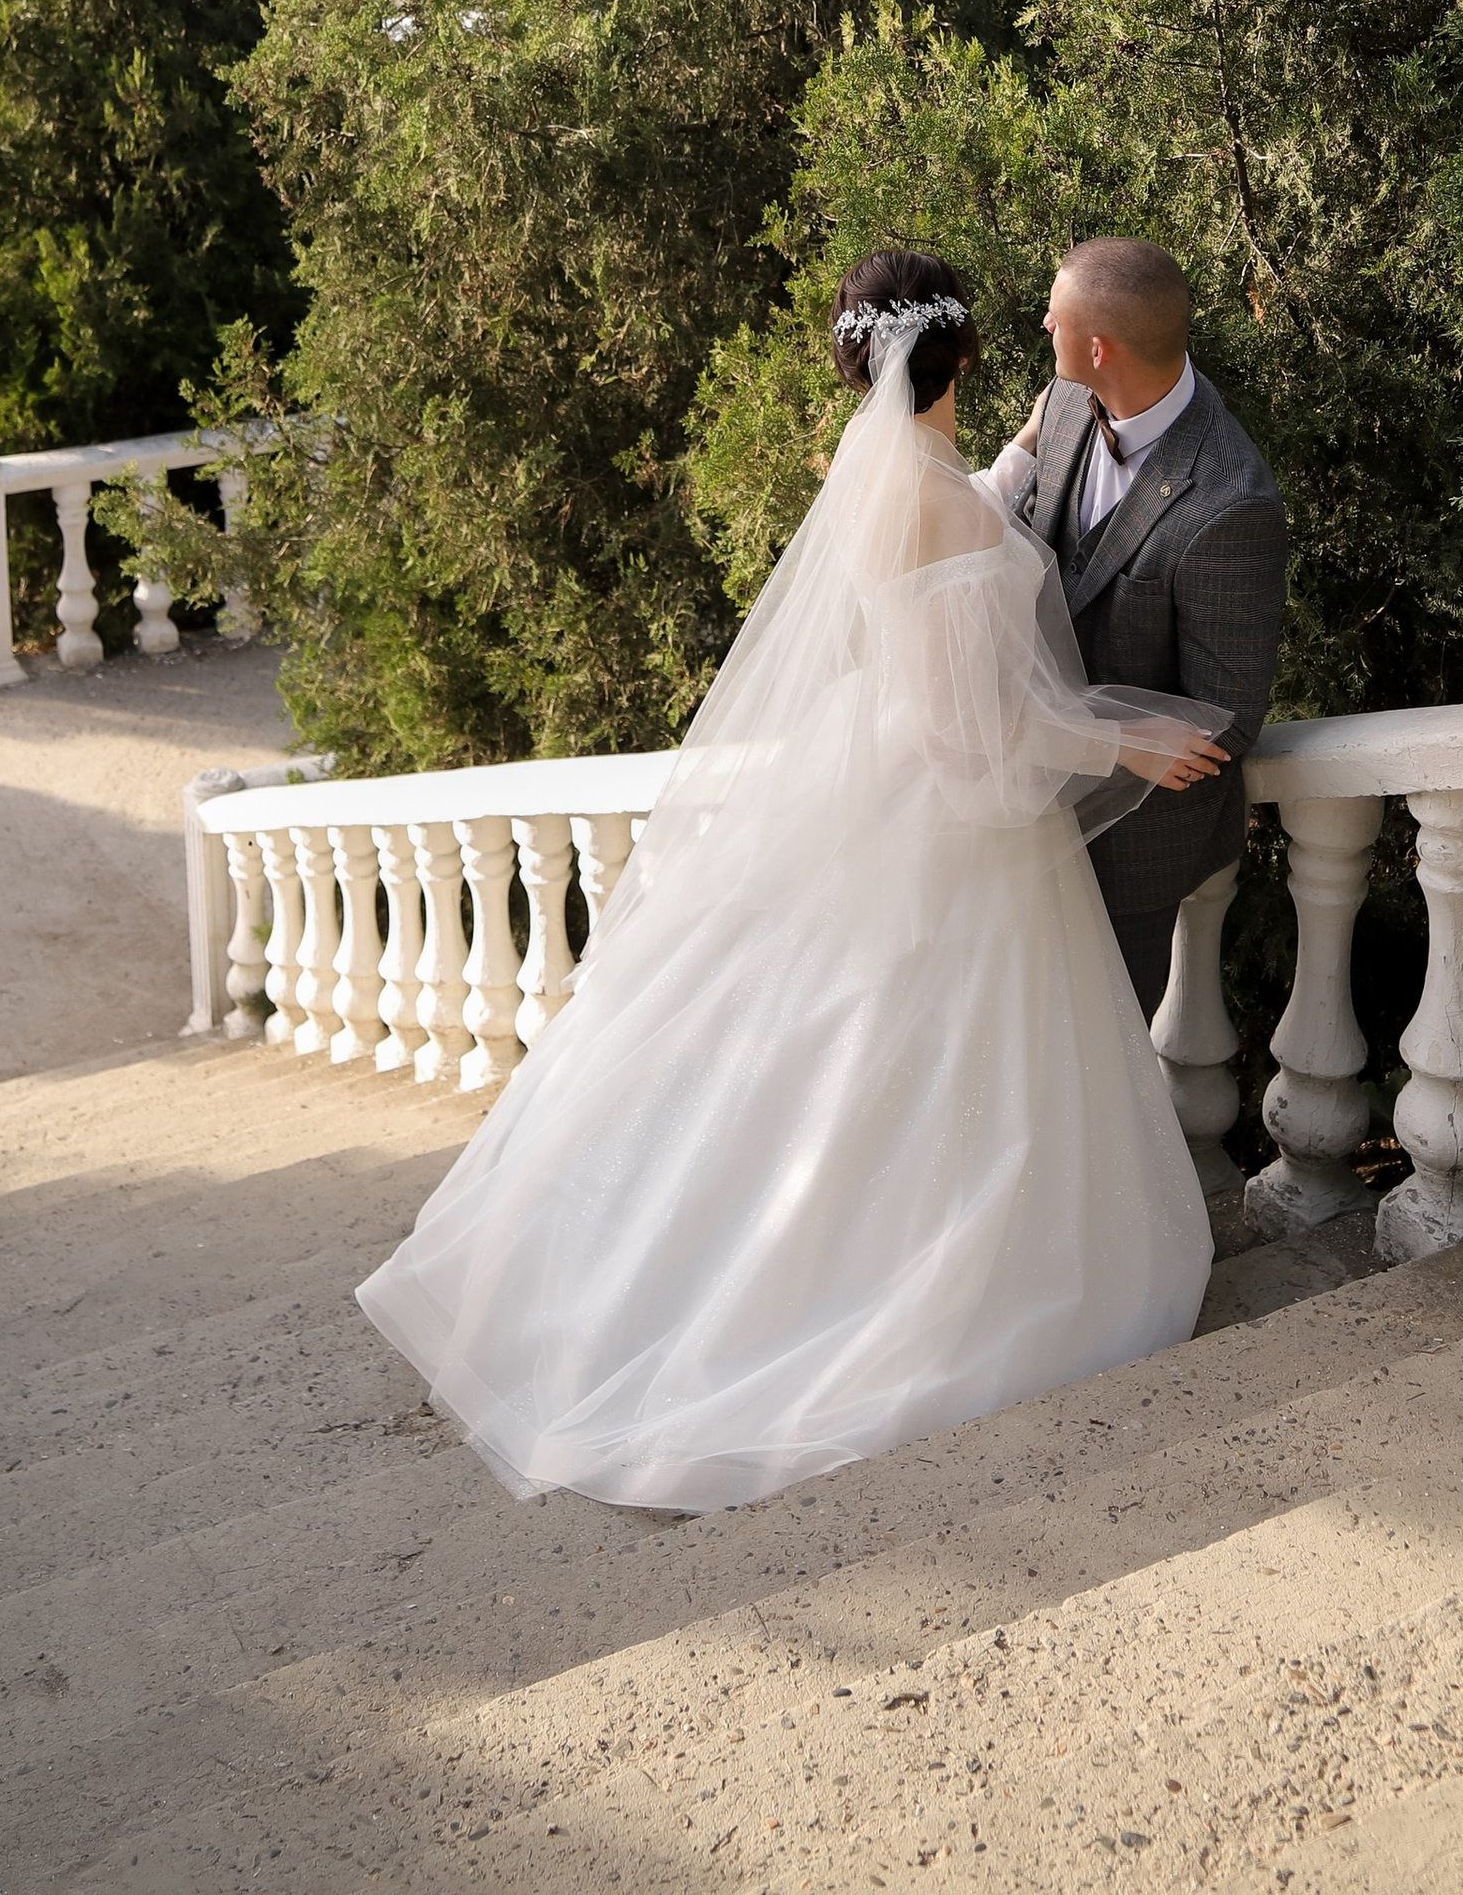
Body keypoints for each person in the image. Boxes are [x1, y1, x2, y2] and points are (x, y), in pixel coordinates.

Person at [355, 245, 1232, 1512]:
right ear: (960, 351)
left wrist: (1010, 465)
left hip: (866, 768)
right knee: (915, 1057)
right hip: (944, 811)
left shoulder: (874, 470)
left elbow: (950, 543)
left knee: (827, 1051)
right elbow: (970, 730)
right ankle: (880, 1297)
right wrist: (1121, 740)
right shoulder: (935, 500)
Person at [986, 238, 1286, 1022]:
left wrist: (1097, 743)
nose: (1043, 321)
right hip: (1018, 821)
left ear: (1099, 349)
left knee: (1097, 1059)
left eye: (1056, 314)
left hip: (1131, 857)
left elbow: (1225, 718)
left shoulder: (1229, 503)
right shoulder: (1062, 401)